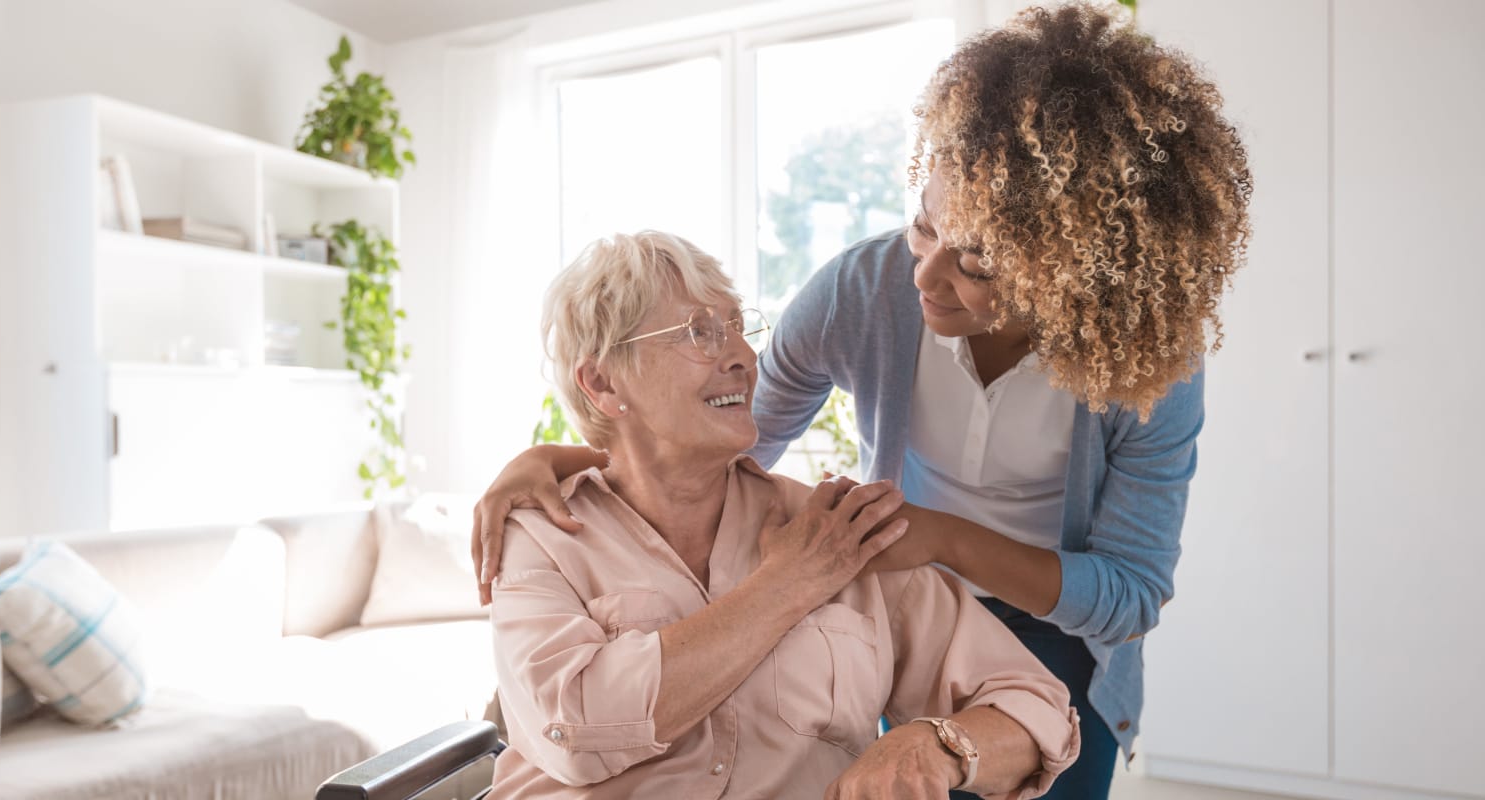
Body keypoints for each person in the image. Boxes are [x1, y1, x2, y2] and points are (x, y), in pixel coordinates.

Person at [475, 4, 1252, 799]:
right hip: (901, 578)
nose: (925, 275)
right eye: (925, 225)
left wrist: (940, 537)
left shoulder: (1145, 364)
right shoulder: (861, 291)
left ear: (1070, 273)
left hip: (1053, 621)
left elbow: (1127, 594)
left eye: (977, 263)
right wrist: (561, 458)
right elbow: (730, 437)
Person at [488, 230, 1079, 799]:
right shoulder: (541, 535)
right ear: (601, 381)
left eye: (739, 329)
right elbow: (575, 732)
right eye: (701, 333)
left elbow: (1039, 710)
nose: (746, 357)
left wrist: (938, 745)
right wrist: (785, 586)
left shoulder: (837, 530)